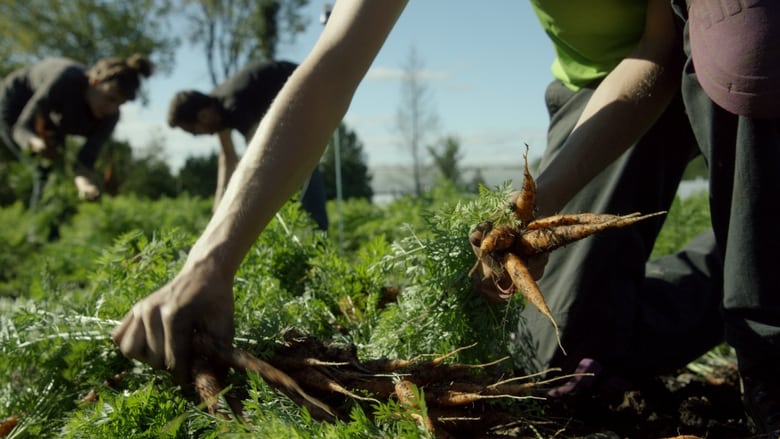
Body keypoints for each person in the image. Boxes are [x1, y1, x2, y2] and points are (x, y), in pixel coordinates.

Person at [111, 0, 778, 433]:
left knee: (746, 68)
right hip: (604, 79)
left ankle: (763, 269)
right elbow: (332, 66)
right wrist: (212, 259)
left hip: (715, 44)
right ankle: (734, 265)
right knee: (565, 345)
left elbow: (666, 46)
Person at [166, 60, 329, 230]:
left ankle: (316, 234)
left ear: (203, 116)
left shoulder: (233, 104)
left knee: (300, 162)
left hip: (309, 89)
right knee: (283, 166)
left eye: (193, 131)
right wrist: (219, 208)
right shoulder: (217, 107)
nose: (197, 135)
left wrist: (239, 204)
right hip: (290, 102)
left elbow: (259, 153)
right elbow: (227, 157)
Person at [0, 53, 154, 205]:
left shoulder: (110, 117)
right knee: (44, 170)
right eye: (110, 98)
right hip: (15, 102)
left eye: (120, 104)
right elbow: (21, 129)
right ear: (94, 81)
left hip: (54, 116)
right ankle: (36, 225)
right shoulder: (65, 80)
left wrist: (85, 186)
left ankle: (50, 223)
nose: (111, 109)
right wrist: (36, 144)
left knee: (56, 168)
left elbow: (85, 161)